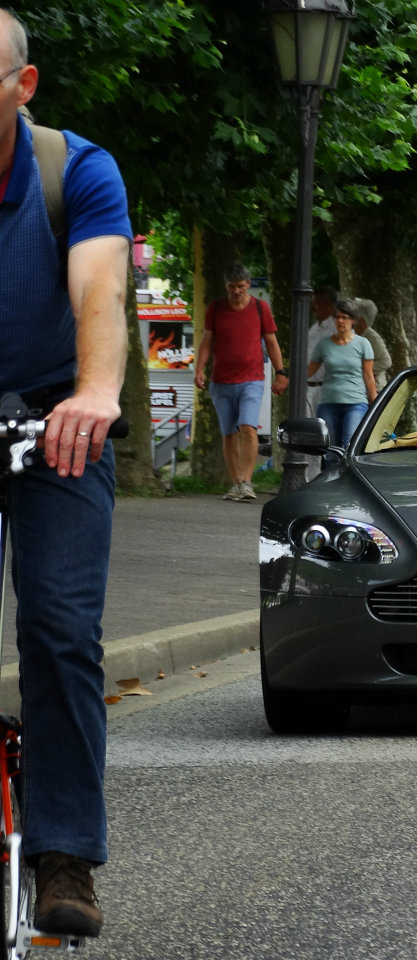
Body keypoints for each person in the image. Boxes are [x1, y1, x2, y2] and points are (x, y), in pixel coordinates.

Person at [0, 9, 130, 937]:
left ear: (23, 85)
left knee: (57, 627)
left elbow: (101, 289)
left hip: (55, 417)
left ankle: (64, 856)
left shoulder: (74, 169)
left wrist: (92, 393)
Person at [193, 263, 288, 501]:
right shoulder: (215, 309)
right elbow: (206, 341)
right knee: (228, 433)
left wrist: (281, 372)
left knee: (247, 427)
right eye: (232, 287)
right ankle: (236, 483)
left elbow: (272, 342)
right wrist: (199, 369)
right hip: (221, 381)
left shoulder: (260, 308)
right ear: (226, 286)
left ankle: (247, 481)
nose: (237, 291)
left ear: (249, 285)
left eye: (242, 286)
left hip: (252, 379)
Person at [306, 297, 376, 467]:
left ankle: (348, 487)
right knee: (330, 451)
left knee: (348, 447)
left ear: (353, 321)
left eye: (345, 317)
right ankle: (331, 488)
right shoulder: (324, 344)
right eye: (337, 317)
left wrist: (374, 402)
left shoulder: (363, 344)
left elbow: (368, 375)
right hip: (329, 402)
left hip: (355, 402)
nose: (340, 321)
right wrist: (288, 379)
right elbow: (309, 371)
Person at [304, 286, 338, 480]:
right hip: (309, 387)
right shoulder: (313, 329)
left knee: (326, 434)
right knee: (310, 435)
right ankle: (311, 477)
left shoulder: (333, 329)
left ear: (327, 305)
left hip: (325, 387)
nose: (313, 308)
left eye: (316, 304)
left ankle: (327, 476)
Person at [350, 297, 391, 391]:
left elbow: (386, 361)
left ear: (362, 320)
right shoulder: (353, 335)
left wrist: (364, 370)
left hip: (375, 389)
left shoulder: (372, 337)